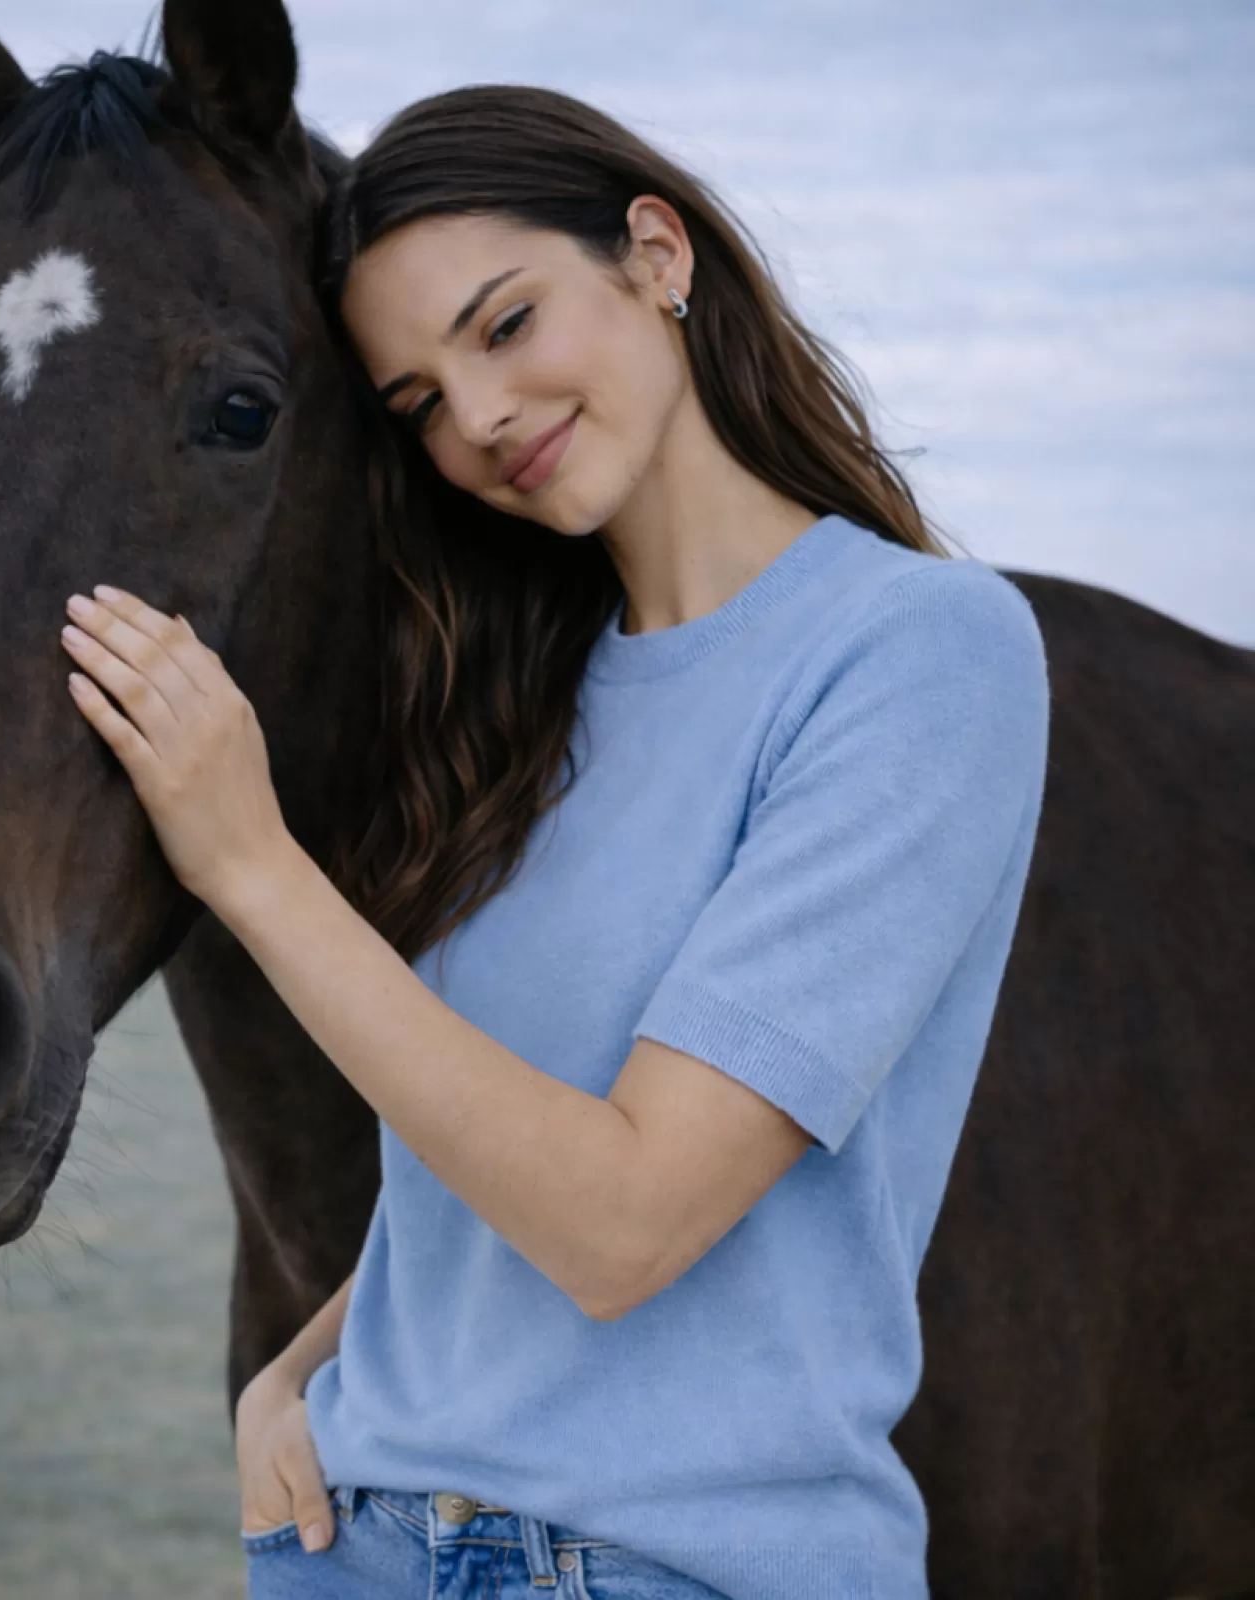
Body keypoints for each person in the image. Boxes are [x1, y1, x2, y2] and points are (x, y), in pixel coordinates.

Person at [59, 83, 1050, 1600]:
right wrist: (297, 1377)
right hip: (359, 1540)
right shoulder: (514, 698)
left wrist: (250, 863)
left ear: (656, 252)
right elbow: (485, 1157)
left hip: (675, 1565)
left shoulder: (918, 654)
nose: (480, 419)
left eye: (503, 325)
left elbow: (626, 1221)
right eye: (418, 405)